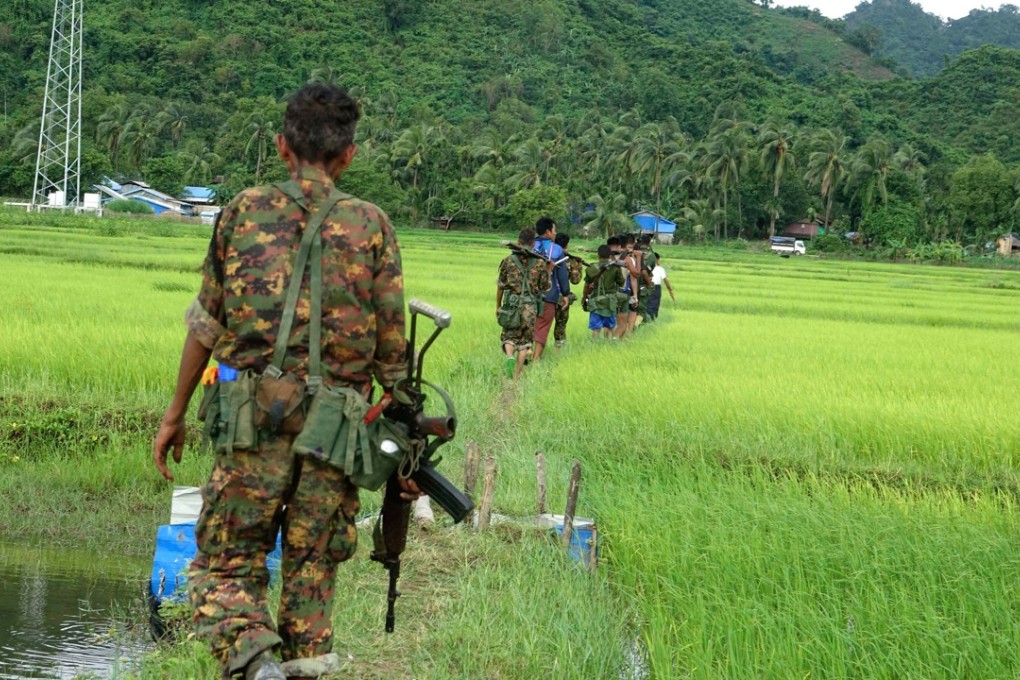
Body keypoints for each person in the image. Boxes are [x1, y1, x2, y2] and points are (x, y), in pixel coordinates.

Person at [152, 83, 420, 680]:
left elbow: (205, 324)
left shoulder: (242, 211)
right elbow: (394, 355)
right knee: (312, 574)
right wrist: (405, 450)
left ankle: (251, 658)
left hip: (250, 427)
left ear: (281, 147)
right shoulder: (372, 225)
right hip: (335, 436)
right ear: (348, 155)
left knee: (224, 568)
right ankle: (295, 666)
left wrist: (173, 416)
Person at [496, 228, 550, 380]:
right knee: (525, 343)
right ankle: (516, 377)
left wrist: (498, 306)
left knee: (508, 336)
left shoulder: (508, 261)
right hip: (529, 306)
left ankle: (509, 357)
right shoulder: (540, 263)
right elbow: (544, 287)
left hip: (511, 304)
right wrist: (549, 269)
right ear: (533, 244)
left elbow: (500, 286)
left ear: (518, 242)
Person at [531, 216, 569, 361]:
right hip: (549, 294)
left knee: (529, 323)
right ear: (547, 232)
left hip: (528, 293)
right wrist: (565, 294)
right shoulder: (557, 249)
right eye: (554, 230)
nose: (555, 234)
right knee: (543, 326)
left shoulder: (529, 245)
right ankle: (536, 358)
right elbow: (562, 275)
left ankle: (525, 352)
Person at [583, 245, 625, 339]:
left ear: (598, 255)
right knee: (610, 328)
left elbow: (586, 285)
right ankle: (608, 348)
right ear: (610, 256)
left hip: (595, 302)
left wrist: (584, 298)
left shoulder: (592, 268)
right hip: (610, 302)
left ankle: (595, 349)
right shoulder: (615, 268)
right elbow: (621, 283)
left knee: (596, 329)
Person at [552, 232, 581, 350]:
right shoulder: (570, 260)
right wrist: (578, 266)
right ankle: (559, 349)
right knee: (561, 324)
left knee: (541, 323)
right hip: (563, 297)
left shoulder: (548, 256)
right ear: (567, 245)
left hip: (546, 294)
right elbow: (575, 280)